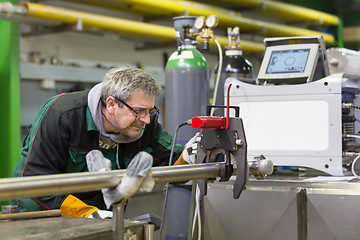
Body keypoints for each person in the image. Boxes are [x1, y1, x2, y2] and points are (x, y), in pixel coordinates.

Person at [13, 66, 192, 218]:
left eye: (149, 111)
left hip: (99, 214)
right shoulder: (63, 115)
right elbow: (36, 176)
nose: (145, 119)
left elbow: (171, 163)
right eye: (139, 111)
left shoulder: (143, 123)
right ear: (112, 104)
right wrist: (86, 213)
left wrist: (189, 155)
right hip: (43, 211)